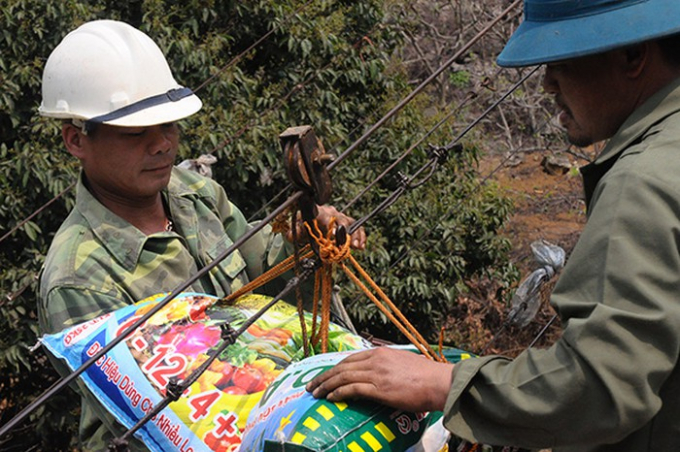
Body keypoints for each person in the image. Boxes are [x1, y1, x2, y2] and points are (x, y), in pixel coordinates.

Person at [307, 0, 680, 450]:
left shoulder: (641, 181)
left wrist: (443, 385)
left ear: (632, 55)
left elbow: (599, 387)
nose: (546, 84)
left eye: (560, 60)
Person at [36, 19, 365, 451]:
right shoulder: (78, 277)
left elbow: (264, 265)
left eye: (168, 126)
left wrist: (304, 236)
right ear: (77, 140)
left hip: (268, 408)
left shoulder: (196, 194)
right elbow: (146, 417)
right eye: (136, 134)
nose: (162, 145)